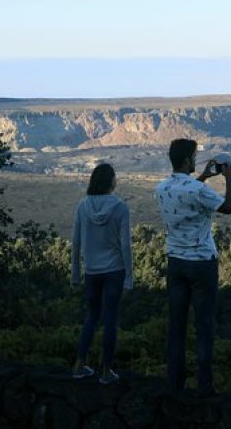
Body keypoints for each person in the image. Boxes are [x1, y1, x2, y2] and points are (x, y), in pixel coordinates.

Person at [155, 139, 231, 396]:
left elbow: (186, 193)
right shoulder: (197, 190)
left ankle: (174, 382)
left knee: (176, 324)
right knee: (204, 324)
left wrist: (202, 177)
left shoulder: (162, 187)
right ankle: (204, 384)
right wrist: (228, 179)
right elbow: (230, 207)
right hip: (201, 263)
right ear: (188, 160)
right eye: (195, 157)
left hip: (175, 262)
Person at [71, 163, 133, 385]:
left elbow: (76, 244)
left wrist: (75, 275)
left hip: (91, 272)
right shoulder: (120, 207)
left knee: (91, 317)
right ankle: (106, 371)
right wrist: (129, 279)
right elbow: (125, 246)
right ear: (111, 181)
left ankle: (79, 365)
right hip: (115, 271)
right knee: (110, 321)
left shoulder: (82, 206)